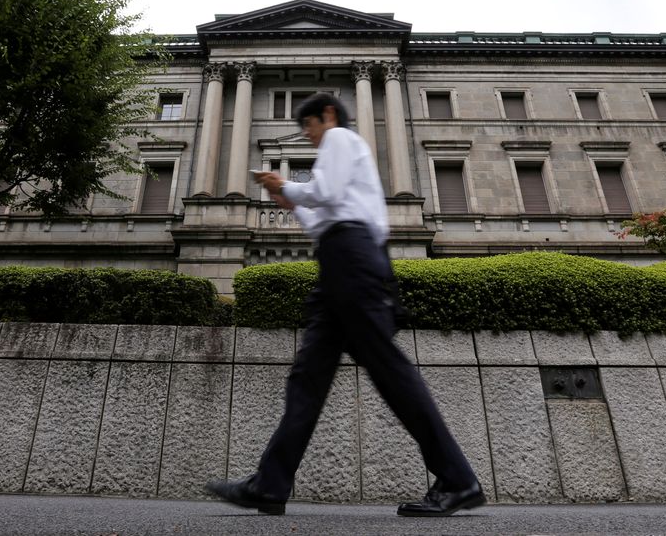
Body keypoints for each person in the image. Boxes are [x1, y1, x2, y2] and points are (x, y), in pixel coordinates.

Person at [205, 92, 485, 517]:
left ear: (329, 115)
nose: (309, 135)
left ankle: (458, 479)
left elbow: (327, 194)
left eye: (310, 125)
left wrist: (287, 186)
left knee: (389, 373)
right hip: (339, 261)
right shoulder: (340, 157)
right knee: (307, 379)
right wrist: (287, 198)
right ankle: (269, 483)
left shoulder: (340, 139)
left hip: (352, 260)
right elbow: (322, 216)